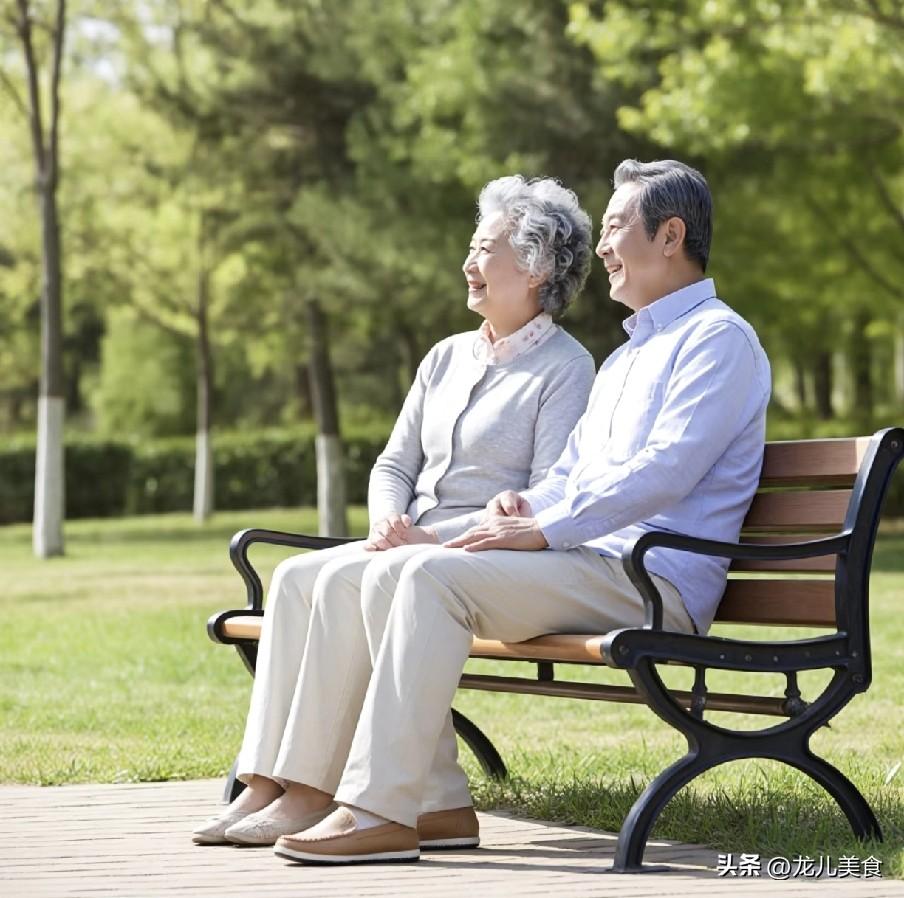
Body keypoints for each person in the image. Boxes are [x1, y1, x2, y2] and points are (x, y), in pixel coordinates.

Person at [271, 159, 771, 865]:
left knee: (426, 578)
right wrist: (526, 502)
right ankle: (436, 801)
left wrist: (542, 528)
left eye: (616, 228)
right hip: (592, 563)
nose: (601, 248)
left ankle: (380, 808)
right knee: (394, 571)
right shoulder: (631, 355)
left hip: (647, 579)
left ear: (670, 237)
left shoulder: (718, 341)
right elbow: (573, 474)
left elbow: (666, 472)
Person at [192, 175, 597, 846]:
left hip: (480, 555)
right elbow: (394, 465)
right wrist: (388, 521)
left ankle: (314, 792)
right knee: (297, 576)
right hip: (408, 544)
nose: (469, 264)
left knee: (354, 578)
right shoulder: (444, 356)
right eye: (471, 247)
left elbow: (546, 494)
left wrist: (425, 535)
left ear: (536, 268)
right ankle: (267, 782)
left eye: (485, 249)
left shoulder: (566, 368)